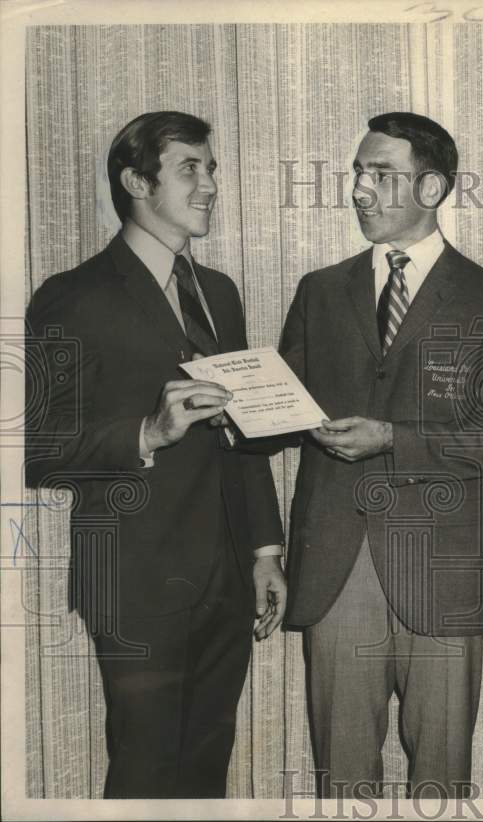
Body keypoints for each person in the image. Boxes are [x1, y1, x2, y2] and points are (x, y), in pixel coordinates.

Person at [24, 111, 287, 798]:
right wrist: (147, 431)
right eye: (189, 168)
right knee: (144, 776)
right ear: (137, 182)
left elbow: (241, 436)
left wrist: (265, 552)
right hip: (136, 580)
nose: (211, 185)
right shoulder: (71, 296)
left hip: (228, 580)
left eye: (211, 169)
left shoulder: (219, 293)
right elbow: (41, 447)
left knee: (205, 774)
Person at [278, 112, 483, 798]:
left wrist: (394, 438)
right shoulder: (319, 291)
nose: (360, 189)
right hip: (336, 562)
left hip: (441, 569)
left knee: (441, 782)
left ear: (431, 188)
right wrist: (236, 403)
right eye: (358, 173)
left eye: (381, 174)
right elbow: (285, 408)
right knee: (342, 782)